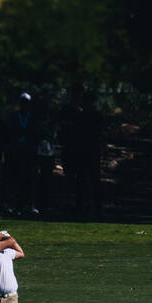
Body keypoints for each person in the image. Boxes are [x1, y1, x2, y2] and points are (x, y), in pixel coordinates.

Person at [59, 83, 103, 217]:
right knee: (75, 178)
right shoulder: (72, 111)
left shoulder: (85, 112)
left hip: (84, 150)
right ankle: (75, 205)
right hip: (76, 149)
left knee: (83, 179)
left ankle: (83, 206)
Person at [4, 92, 39, 214]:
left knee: (30, 179)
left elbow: (36, 133)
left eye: (27, 103)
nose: (24, 105)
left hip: (28, 152)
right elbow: (9, 132)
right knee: (14, 179)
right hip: (16, 152)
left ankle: (30, 205)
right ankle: (12, 205)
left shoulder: (33, 118)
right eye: (23, 102)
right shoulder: (13, 116)